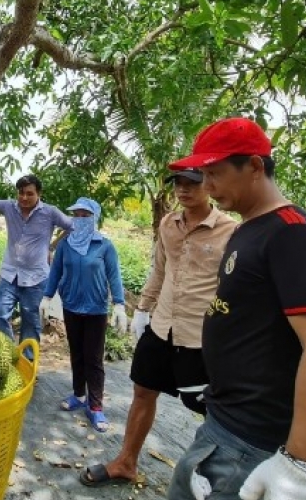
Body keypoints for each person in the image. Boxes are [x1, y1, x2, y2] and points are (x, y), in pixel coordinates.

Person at [164, 117, 306, 500]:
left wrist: (300, 466)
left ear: (253, 166)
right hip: (224, 423)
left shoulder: (295, 236)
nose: (208, 186)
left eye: (214, 173)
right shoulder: (248, 229)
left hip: (253, 443)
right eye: (204, 174)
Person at [79, 169, 236, 485]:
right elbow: (159, 272)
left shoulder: (231, 232)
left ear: (209, 185)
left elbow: (235, 288)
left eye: (191, 183)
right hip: (162, 327)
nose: (183, 189)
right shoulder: (168, 224)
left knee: (210, 409)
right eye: (178, 183)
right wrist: (142, 310)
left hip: (200, 337)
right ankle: (126, 462)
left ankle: (218, 480)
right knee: (142, 391)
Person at [0, 155, 73, 358]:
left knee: (31, 323)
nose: (24, 198)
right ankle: (8, 357)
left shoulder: (50, 212)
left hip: (37, 278)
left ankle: (28, 363)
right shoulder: (9, 207)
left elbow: (72, 226)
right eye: (20, 193)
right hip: (10, 275)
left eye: (29, 194)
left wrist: (53, 245)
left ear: (39, 194)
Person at [41, 197, 128, 433]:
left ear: (94, 218)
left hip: (96, 309)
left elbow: (114, 276)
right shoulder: (66, 245)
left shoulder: (104, 245)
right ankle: (79, 394)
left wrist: (119, 304)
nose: (79, 220)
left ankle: (96, 406)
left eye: (85, 216)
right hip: (71, 306)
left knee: (94, 358)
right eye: (76, 215)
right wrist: (47, 297)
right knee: (77, 354)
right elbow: (56, 272)